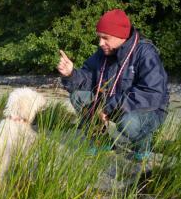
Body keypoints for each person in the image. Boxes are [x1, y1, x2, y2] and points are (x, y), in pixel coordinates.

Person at [57, 9, 169, 160]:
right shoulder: (103, 53)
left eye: (105, 38)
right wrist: (71, 74)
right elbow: (87, 80)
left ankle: (143, 145)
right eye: (99, 37)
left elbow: (150, 94)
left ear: (121, 36)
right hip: (112, 105)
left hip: (147, 110)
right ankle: (100, 141)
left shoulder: (145, 53)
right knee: (78, 97)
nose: (100, 43)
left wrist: (108, 107)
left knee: (128, 122)